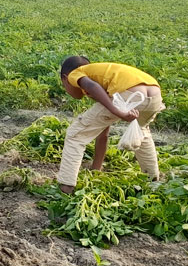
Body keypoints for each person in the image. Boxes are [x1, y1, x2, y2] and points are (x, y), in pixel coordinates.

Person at [57, 56, 165, 194]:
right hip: (154, 94)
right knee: (141, 132)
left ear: (65, 78)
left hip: (129, 94)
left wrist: (117, 111)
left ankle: (66, 187)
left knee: (75, 134)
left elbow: (92, 86)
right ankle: (153, 181)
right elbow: (103, 134)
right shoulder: (104, 77)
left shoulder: (75, 73)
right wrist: (96, 169)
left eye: (64, 84)